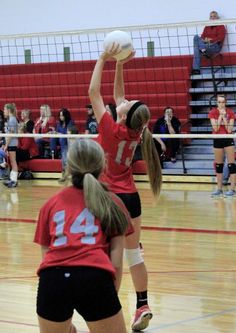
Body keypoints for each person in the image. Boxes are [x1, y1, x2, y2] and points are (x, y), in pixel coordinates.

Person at [89, 45, 162, 331]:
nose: (125, 99)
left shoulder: (110, 129)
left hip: (111, 199)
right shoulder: (137, 130)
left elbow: (94, 93)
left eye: (126, 103)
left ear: (121, 114)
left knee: (111, 255)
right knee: (135, 254)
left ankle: (110, 307)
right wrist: (120, 64)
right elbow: (120, 97)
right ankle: (142, 303)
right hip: (132, 198)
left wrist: (102, 59)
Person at [34, 138, 132, 333]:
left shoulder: (50, 204)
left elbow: (46, 254)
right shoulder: (113, 203)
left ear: (68, 167)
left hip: (52, 279)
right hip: (93, 277)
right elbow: (117, 262)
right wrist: (109, 298)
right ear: (103, 165)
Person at [209, 94, 236, 197]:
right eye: (219, 102)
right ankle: (219, 189)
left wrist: (224, 117)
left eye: (223, 102)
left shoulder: (230, 112)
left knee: (231, 165)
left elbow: (229, 130)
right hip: (218, 139)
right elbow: (215, 129)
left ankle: (232, 190)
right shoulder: (212, 112)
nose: (221, 104)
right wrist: (220, 116)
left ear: (225, 103)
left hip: (228, 139)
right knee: (219, 165)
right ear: (217, 103)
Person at [191, 10, 226, 75]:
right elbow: (202, 37)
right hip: (206, 46)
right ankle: (196, 70)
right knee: (196, 37)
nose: (212, 18)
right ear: (209, 18)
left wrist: (210, 40)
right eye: (211, 16)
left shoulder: (221, 26)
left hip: (215, 46)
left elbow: (220, 38)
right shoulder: (207, 27)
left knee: (197, 49)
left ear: (217, 18)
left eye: (214, 16)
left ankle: (196, 70)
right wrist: (204, 40)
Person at [3, 103, 19, 188]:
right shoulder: (11, 119)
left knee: (13, 161)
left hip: (12, 143)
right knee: (12, 162)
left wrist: (6, 145)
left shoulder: (12, 119)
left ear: (9, 110)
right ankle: (12, 180)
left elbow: (11, 134)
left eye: (4, 110)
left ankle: (14, 181)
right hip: (11, 143)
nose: (3, 111)